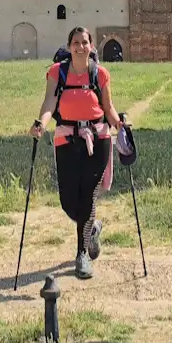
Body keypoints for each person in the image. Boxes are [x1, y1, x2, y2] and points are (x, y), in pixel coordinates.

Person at [30, 27, 123, 279]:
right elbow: (50, 102)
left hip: (98, 137)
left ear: (91, 46)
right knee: (68, 201)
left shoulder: (100, 73)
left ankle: (82, 254)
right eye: (75, 43)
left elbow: (108, 106)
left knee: (88, 195)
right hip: (66, 137)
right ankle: (91, 229)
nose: (80, 47)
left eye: (84, 42)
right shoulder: (56, 72)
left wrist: (119, 124)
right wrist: (41, 122)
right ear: (69, 46)